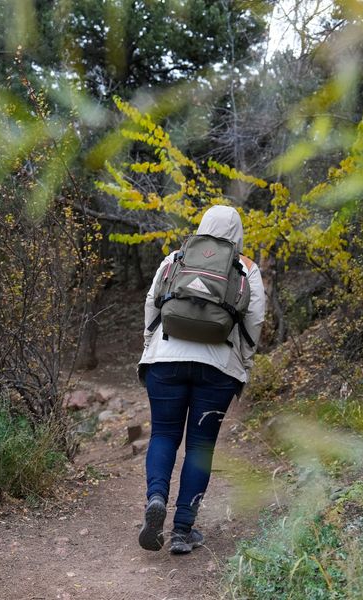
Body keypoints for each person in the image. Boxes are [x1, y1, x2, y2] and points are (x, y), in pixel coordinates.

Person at [137, 205, 265, 554]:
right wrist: (243, 364)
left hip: (165, 360)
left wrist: (150, 344)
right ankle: (182, 530)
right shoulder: (247, 267)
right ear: (238, 234)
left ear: (203, 225)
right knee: (200, 446)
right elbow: (254, 321)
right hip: (219, 366)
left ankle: (156, 498)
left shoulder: (177, 257)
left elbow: (152, 302)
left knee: (163, 434)